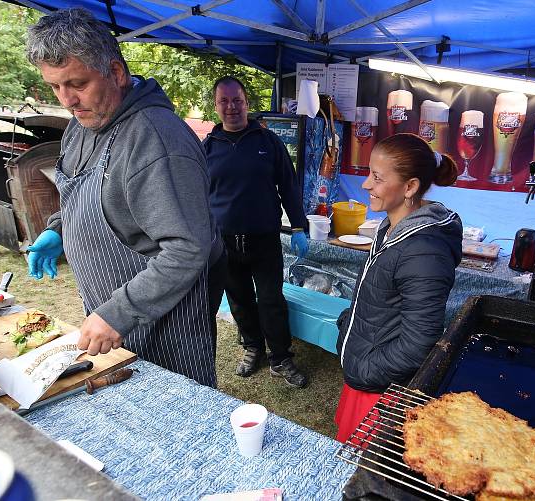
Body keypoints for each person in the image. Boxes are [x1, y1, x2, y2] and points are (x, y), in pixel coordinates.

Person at [24, 8, 223, 387]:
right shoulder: (83, 122)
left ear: (116, 73)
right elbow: (80, 191)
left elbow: (188, 249)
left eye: (77, 83)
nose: (66, 99)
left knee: (172, 419)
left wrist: (119, 312)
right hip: (114, 313)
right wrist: (58, 229)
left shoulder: (157, 141)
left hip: (164, 326)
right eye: (55, 87)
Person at [334, 133, 463, 442]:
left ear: (410, 187)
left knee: (362, 471)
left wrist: (365, 368)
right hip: (368, 372)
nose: (365, 185)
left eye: (377, 178)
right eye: (369, 174)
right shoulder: (391, 226)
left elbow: (419, 343)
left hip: (382, 390)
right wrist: (348, 326)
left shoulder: (424, 252)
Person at [203, 76, 310, 388]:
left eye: (237, 100)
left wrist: (299, 226)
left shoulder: (268, 142)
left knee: (271, 299)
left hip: (264, 239)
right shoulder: (207, 148)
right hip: (224, 242)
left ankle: (280, 357)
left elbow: (289, 187)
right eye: (224, 101)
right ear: (216, 106)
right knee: (239, 300)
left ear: (246, 103)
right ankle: (252, 348)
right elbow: (196, 194)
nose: (231, 107)